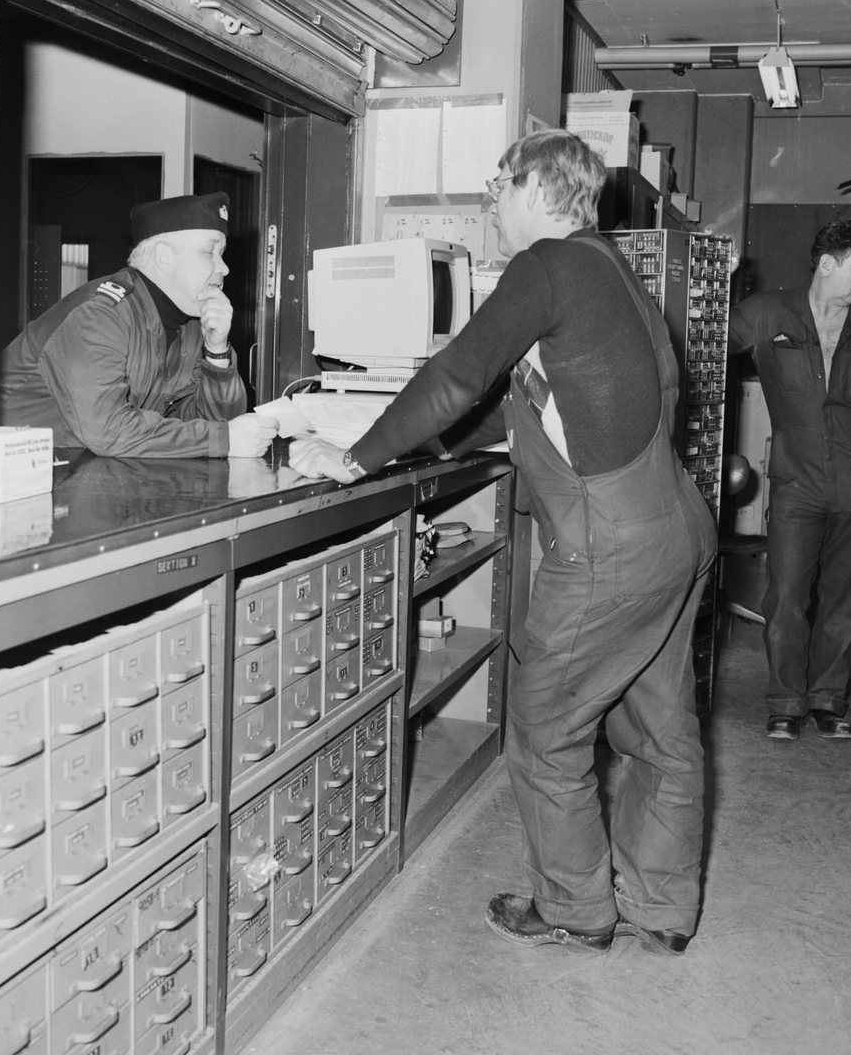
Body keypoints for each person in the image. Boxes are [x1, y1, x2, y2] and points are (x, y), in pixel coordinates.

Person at [289, 130, 717, 956]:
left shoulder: (546, 263)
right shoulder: (609, 268)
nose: (491, 201)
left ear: (535, 188)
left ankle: (574, 908)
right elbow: (542, 404)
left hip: (609, 546)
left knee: (546, 728)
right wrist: (411, 440)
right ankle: (662, 908)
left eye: (498, 184)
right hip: (673, 530)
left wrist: (356, 457)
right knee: (660, 730)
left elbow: (459, 373)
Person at [729, 219, 851, 741]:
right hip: (797, 479)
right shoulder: (767, 313)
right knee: (786, 595)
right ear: (828, 264)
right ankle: (785, 703)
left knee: (845, 600)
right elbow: (702, 339)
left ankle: (828, 701)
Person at [0, 192, 276, 458]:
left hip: (83, 468)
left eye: (222, 253)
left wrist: (217, 350)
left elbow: (213, 425)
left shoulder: (190, 326)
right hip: (5, 467)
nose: (224, 268)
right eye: (209, 252)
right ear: (164, 257)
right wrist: (223, 439)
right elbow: (108, 431)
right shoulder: (99, 315)